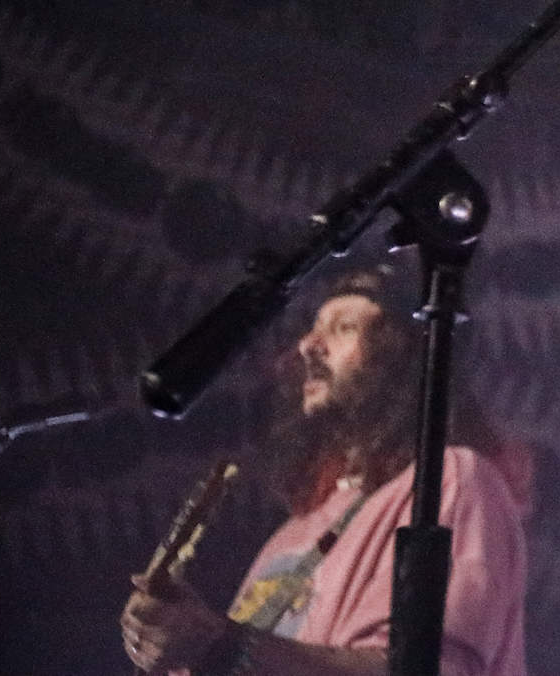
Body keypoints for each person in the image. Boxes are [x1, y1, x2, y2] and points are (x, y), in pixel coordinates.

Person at [120, 268, 530, 676]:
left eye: (343, 328)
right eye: (314, 329)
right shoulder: (293, 534)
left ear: (403, 355)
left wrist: (217, 642)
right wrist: (177, 648)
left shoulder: (450, 481)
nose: (308, 346)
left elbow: (419, 671)